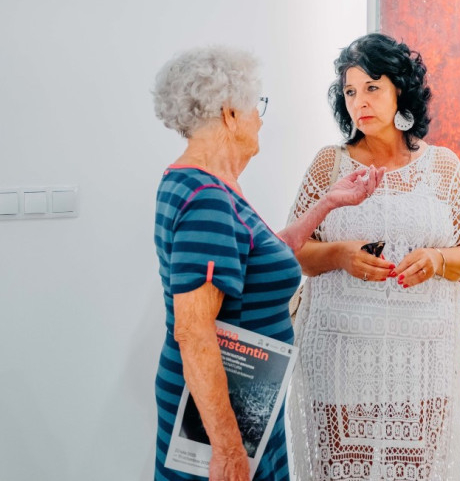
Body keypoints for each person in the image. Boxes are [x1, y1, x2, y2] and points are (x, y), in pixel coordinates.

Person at [152, 45, 384, 481]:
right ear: (229, 114)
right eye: (255, 106)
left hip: (245, 395)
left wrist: (329, 202)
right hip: (223, 411)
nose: (260, 119)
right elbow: (193, 330)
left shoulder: (199, 183)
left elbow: (262, 255)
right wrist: (227, 449)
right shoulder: (207, 201)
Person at [287, 33, 460, 481]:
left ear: (401, 90)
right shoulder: (329, 164)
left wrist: (436, 260)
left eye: (372, 88)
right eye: (350, 91)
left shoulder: (443, 166)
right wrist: (340, 254)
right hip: (340, 357)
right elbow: (296, 250)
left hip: (423, 360)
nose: (360, 102)